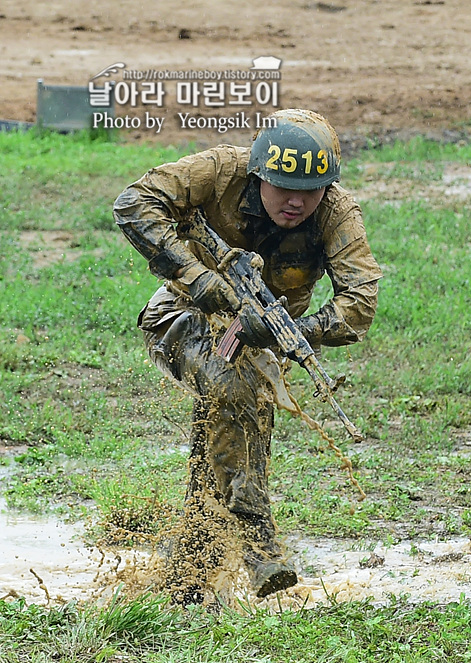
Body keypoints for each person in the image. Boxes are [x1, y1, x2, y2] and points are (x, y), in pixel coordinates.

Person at [114, 109, 382, 603]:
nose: (297, 201)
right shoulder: (219, 172)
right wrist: (200, 280)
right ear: (259, 173)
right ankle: (259, 540)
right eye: (283, 187)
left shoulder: (338, 214)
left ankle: (191, 576)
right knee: (229, 389)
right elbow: (133, 204)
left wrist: (296, 331)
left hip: (262, 346)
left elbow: (360, 300)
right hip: (181, 315)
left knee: (229, 432)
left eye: (312, 189)